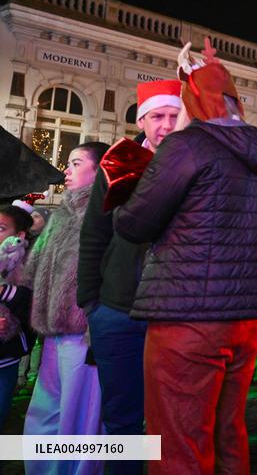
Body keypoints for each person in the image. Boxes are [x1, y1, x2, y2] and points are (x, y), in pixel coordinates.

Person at [113, 40, 257, 474]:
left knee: (178, 441)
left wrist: (124, 191)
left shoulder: (188, 147)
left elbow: (135, 225)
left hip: (188, 315)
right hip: (248, 317)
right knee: (228, 430)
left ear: (193, 104)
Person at [76, 79, 181, 467]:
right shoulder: (118, 164)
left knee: (168, 420)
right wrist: (91, 304)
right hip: (115, 311)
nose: (166, 124)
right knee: (120, 421)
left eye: (174, 115)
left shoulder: (192, 165)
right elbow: (94, 236)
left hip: (171, 317)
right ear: (143, 119)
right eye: (158, 116)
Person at [11, 141, 109, 475]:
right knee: (46, 412)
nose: (66, 170)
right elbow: (33, 271)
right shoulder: (62, 213)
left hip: (84, 335)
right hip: (51, 334)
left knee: (79, 419)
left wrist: (95, 323)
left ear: (99, 170)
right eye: (68, 163)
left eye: (76, 163)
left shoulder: (106, 212)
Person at [0, 204, 36, 429]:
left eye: (1, 228)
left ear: (19, 235)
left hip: (5, 361)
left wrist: (7, 292)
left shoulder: (29, 268)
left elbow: (34, 313)